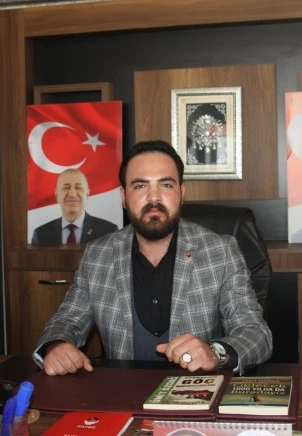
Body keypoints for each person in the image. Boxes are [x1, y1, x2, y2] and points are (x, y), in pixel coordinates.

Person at [34, 140, 272, 376]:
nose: (154, 198)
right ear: (123, 197)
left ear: (181, 193)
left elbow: (256, 334)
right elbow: (65, 323)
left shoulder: (221, 251)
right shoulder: (98, 256)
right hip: (123, 392)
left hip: (196, 392)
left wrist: (214, 353)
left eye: (166, 185)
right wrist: (55, 346)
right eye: (140, 186)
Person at [31, 168, 117, 245]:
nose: (72, 194)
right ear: (57, 195)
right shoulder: (40, 235)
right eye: (66, 188)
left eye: (78, 188)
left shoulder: (109, 232)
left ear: (87, 194)